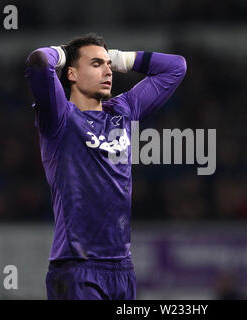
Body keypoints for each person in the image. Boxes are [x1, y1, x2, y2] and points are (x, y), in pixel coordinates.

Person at [24, 33, 186, 300]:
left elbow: (176, 66)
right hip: (76, 268)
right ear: (72, 74)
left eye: (109, 64)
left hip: (122, 267)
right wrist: (65, 53)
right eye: (97, 64)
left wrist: (121, 58)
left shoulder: (123, 111)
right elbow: (39, 60)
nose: (108, 70)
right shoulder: (60, 119)